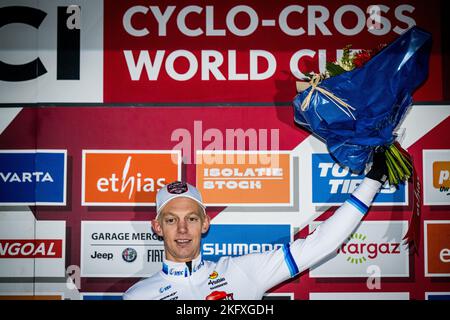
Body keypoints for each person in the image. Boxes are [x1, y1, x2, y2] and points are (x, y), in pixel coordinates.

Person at [123, 152, 388, 300]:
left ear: (205, 223)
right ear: (157, 227)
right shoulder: (137, 297)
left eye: (191, 219)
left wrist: (373, 181)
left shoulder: (241, 272)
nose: (182, 229)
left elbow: (323, 243)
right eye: (171, 220)